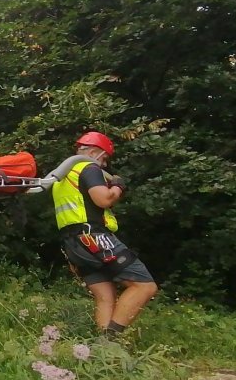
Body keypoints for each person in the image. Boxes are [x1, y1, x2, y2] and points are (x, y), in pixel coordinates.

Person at [52, 131, 158, 336]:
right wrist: (117, 186)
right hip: (94, 237)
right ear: (95, 152)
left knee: (105, 297)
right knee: (145, 286)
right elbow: (104, 200)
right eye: (105, 159)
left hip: (73, 243)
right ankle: (111, 340)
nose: (104, 165)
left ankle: (102, 351)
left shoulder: (63, 176)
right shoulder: (88, 167)